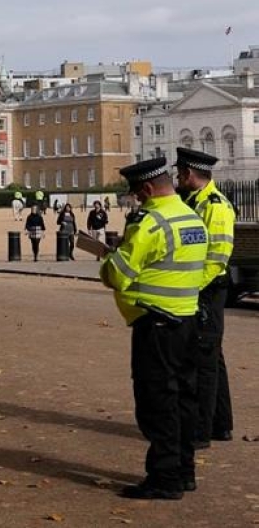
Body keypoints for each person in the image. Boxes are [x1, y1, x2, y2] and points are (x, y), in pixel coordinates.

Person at [99, 157, 206, 500]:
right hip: (188, 317)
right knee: (185, 400)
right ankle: (184, 470)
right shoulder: (192, 217)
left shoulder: (149, 222)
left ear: (146, 188)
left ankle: (165, 477)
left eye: (136, 193)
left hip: (156, 323)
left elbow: (118, 275)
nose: (136, 200)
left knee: (156, 401)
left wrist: (107, 259)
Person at [174, 147, 236, 449]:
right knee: (212, 357)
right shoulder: (193, 201)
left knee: (203, 361)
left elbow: (217, 257)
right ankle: (220, 423)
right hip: (201, 287)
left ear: (189, 174)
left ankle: (201, 428)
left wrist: (190, 287)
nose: (176, 177)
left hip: (207, 288)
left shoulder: (215, 206)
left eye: (179, 173)